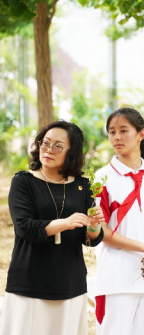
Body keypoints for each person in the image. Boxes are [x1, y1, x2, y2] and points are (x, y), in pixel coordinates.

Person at [0, 120, 104, 335]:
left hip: (69, 283)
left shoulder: (83, 186)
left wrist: (94, 226)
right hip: (30, 282)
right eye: (45, 142)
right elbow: (25, 227)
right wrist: (64, 224)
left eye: (58, 146)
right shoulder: (23, 182)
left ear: (72, 152)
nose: (48, 149)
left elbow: (90, 238)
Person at [93, 107, 144, 335]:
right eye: (112, 132)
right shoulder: (102, 178)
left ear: (141, 134)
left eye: (123, 130)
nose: (116, 137)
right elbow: (102, 232)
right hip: (116, 279)